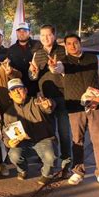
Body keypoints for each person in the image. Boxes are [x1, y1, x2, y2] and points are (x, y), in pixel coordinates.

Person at [49, 34, 99, 190]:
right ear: (65, 46)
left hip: (94, 105)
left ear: (79, 43)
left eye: (75, 43)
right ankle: (78, 171)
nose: (72, 46)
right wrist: (52, 66)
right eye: (69, 44)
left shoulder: (93, 59)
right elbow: (57, 69)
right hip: (75, 107)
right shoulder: (64, 62)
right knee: (77, 141)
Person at [28, 24, 71, 177]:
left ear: (54, 36)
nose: (45, 38)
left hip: (62, 96)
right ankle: (50, 161)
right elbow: (32, 76)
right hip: (45, 99)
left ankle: (67, 165)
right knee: (49, 133)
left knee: (65, 132)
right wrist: (33, 72)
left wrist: (55, 68)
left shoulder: (62, 50)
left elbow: (64, 70)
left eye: (48, 35)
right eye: (42, 35)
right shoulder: (37, 53)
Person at [4, 78, 56, 185]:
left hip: (43, 140)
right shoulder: (8, 113)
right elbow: (6, 136)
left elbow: (48, 107)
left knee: (51, 156)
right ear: (10, 95)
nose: (17, 93)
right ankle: (22, 170)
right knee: (13, 155)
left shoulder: (37, 102)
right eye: (13, 91)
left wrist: (49, 104)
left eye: (19, 89)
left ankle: (47, 174)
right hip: (24, 143)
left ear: (26, 90)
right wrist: (9, 143)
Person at [7, 23, 41, 97]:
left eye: (24, 31)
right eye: (19, 31)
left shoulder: (38, 45)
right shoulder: (11, 49)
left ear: (29, 32)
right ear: (16, 33)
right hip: (20, 88)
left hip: (38, 86)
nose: (22, 33)